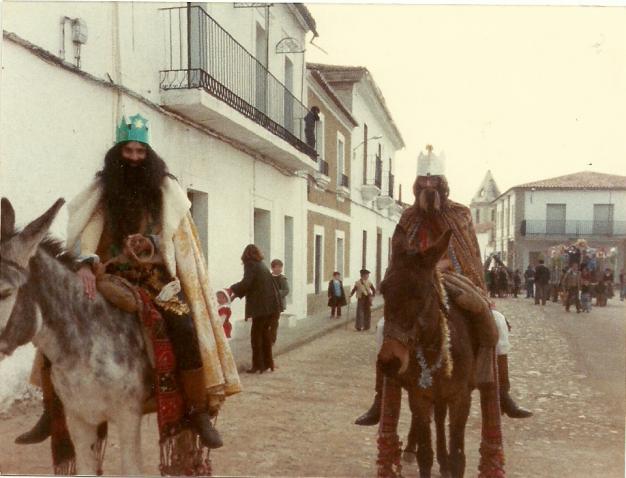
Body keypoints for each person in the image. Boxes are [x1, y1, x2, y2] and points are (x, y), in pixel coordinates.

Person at [15, 114, 241, 449]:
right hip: (109, 274)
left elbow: (170, 237)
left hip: (154, 277)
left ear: (148, 154)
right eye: (128, 151)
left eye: (140, 152)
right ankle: (52, 411)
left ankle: (197, 411)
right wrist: (86, 263)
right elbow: (89, 229)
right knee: (60, 322)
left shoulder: (164, 190)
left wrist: (149, 245)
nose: (134, 158)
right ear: (118, 152)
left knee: (183, 326)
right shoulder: (103, 189)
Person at [355, 147, 531, 432]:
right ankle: (380, 399)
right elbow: (400, 256)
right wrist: (417, 270)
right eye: (424, 182)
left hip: (454, 278)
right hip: (417, 283)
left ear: (442, 183)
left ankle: (503, 393)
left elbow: (469, 255)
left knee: (497, 322)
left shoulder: (460, 214)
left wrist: (440, 265)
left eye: (433, 181)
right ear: (416, 186)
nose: (429, 186)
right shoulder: (408, 217)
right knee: (383, 329)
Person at [230, 245, 281, 374]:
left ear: (246, 255)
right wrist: (236, 294)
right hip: (270, 306)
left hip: (261, 307)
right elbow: (252, 284)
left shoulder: (250, 264)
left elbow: (247, 283)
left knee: (256, 336)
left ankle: (257, 366)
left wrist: (232, 289)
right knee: (265, 335)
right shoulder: (261, 264)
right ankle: (268, 364)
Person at [270, 259, 290, 345]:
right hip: (268, 303)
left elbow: (286, 290)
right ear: (272, 268)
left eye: (280, 267)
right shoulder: (268, 278)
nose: (279, 269)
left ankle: (272, 339)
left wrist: (276, 293)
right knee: (268, 322)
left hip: (278, 304)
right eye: (277, 267)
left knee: (274, 322)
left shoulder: (282, 278)